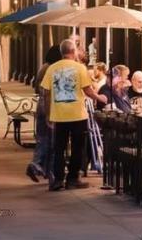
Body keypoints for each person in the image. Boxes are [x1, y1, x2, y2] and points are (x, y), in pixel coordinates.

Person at [40, 39, 102, 191]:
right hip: (77, 115)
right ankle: (73, 179)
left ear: (61, 52)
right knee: (77, 148)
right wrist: (100, 98)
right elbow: (88, 90)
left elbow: (46, 93)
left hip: (59, 115)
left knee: (59, 148)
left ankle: (58, 180)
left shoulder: (52, 68)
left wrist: (48, 114)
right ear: (73, 52)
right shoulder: (80, 68)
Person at [26, 45, 61, 183]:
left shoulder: (43, 67)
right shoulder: (52, 69)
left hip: (40, 104)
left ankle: (42, 168)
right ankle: (38, 166)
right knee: (51, 140)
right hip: (49, 105)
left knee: (42, 138)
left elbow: (36, 88)